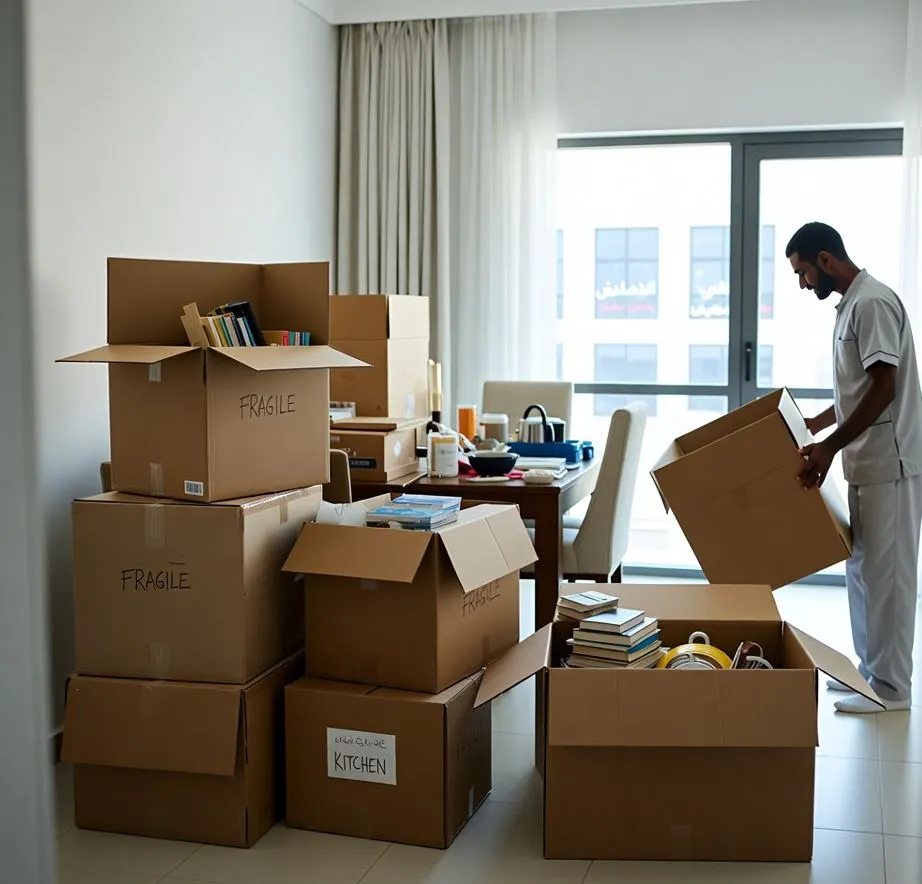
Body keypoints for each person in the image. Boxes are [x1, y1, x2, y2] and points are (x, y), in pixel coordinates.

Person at [788, 221, 922, 713]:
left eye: (803, 272)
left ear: (826, 259)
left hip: (892, 462)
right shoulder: (849, 307)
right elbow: (856, 388)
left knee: (889, 578)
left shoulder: (872, 303)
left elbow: (885, 387)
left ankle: (893, 689)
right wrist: (814, 424)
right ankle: (871, 674)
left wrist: (828, 447)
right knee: (863, 571)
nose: (803, 283)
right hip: (866, 464)